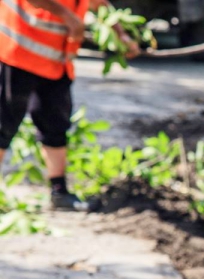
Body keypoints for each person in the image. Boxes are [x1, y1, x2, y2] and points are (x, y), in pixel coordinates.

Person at [0, 0, 139, 210]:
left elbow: (97, 2)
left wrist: (120, 35)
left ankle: (59, 193)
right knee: (4, 124)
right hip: (18, 50)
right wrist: (66, 15)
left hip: (56, 60)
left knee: (55, 124)